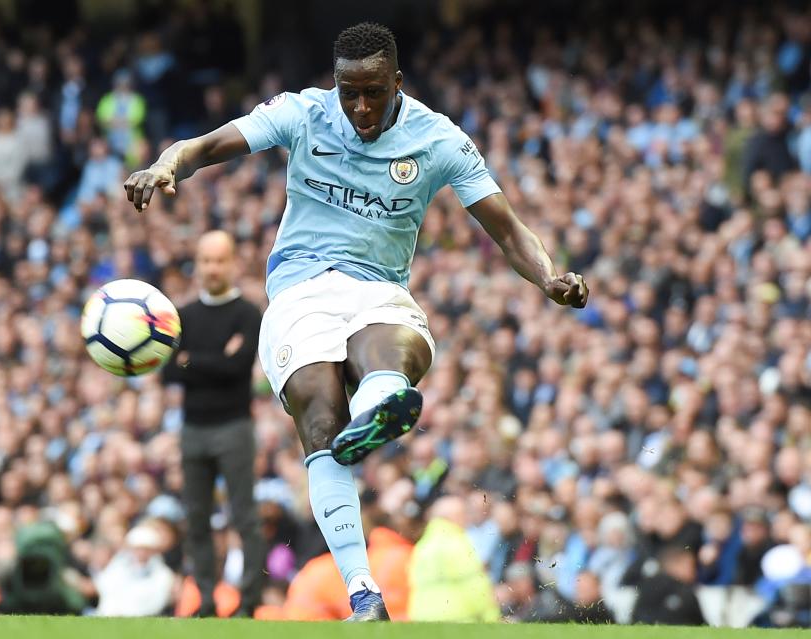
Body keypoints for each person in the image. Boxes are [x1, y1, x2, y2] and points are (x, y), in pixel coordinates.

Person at [125, 22, 589, 621]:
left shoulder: (438, 139)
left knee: (390, 349)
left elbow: (507, 229)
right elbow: (210, 146)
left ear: (398, 82)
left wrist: (549, 276)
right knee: (321, 420)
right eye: (350, 92)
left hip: (377, 290)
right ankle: (364, 595)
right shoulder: (304, 114)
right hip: (299, 291)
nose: (361, 107)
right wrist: (168, 165)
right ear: (335, 84)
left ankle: (383, 404)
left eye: (374, 91)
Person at [161, 230, 265, 617]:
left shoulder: (247, 313)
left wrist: (191, 360)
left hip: (234, 427)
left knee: (244, 516)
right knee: (196, 519)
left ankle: (249, 601)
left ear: (233, 262)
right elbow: (168, 372)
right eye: (206, 260)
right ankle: (205, 600)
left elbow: (235, 368)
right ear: (198, 264)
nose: (213, 267)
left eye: (220, 260)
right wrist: (210, 361)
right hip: (193, 430)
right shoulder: (183, 315)